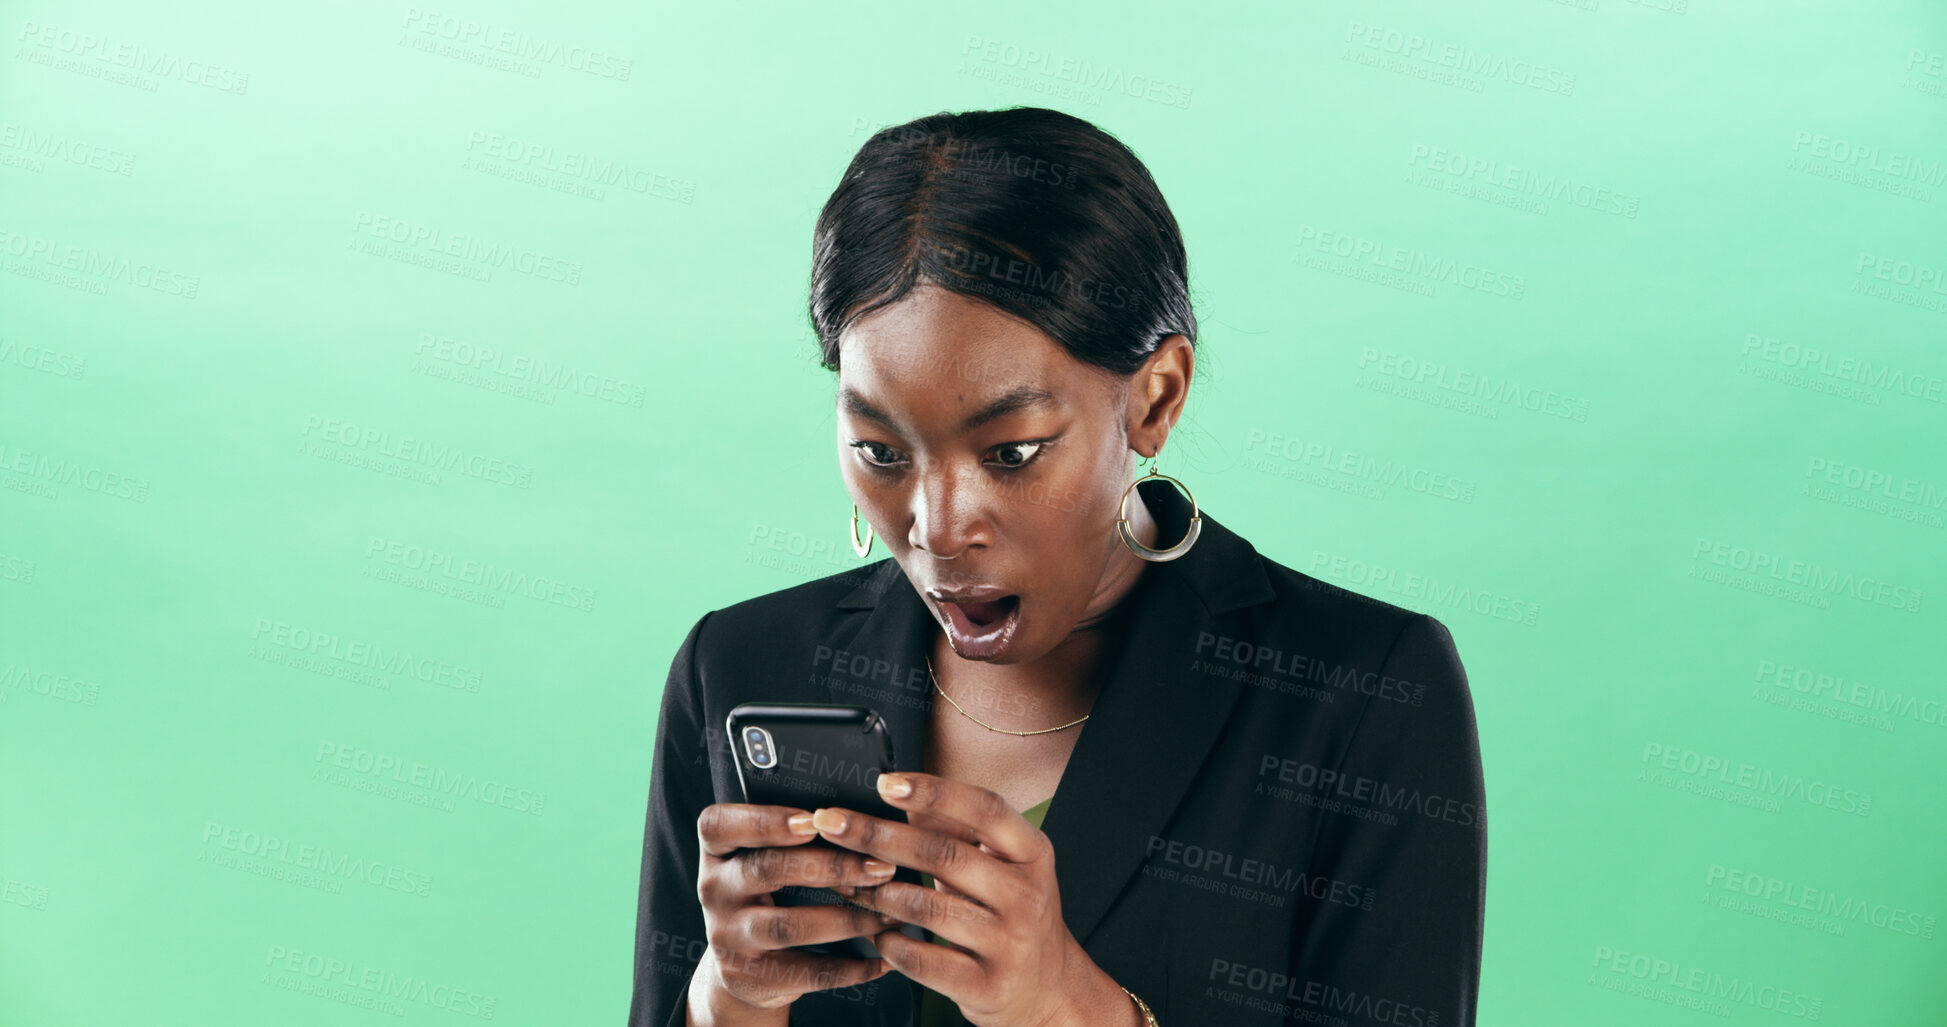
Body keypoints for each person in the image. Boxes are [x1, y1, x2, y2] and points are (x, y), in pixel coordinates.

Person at [627, 106, 1486, 1027]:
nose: (938, 528)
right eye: (882, 450)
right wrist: (729, 1000)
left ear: (1155, 400)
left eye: (1012, 452)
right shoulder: (740, 665)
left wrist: (1066, 1006)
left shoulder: (1359, 693)